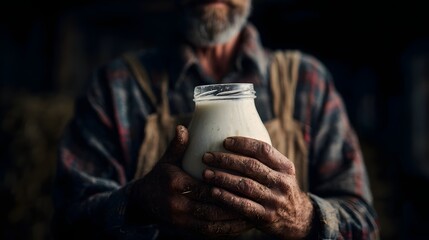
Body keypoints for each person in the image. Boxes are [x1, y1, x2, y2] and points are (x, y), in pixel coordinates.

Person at [51, 0, 380, 239]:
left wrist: (302, 217)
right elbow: (67, 222)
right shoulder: (115, 87)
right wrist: (138, 205)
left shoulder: (308, 82)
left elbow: (364, 225)